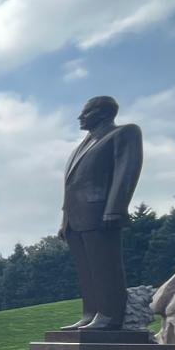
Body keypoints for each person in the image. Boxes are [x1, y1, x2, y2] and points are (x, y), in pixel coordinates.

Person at [57, 95, 143, 331]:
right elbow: (71, 188)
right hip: (76, 219)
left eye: (86, 112)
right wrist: (65, 220)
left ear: (104, 113)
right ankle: (91, 313)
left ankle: (110, 316)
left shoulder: (124, 133)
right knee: (87, 271)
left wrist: (114, 209)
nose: (80, 116)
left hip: (101, 213)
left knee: (106, 267)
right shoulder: (81, 147)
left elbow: (127, 171)